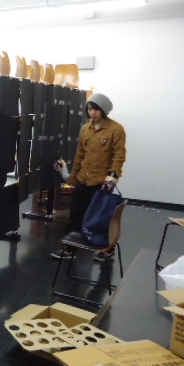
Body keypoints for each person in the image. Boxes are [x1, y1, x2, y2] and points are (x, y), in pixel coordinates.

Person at [51, 92, 126, 262]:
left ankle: (107, 249)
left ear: (103, 110)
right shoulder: (85, 129)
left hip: (102, 182)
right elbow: (79, 156)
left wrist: (113, 176)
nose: (92, 112)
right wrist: (72, 178)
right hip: (83, 179)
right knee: (76, 215)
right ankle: (71, 248)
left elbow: (119, 155)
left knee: (101, 217)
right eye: (90, 109)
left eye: (96, 109)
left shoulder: (116, 129)